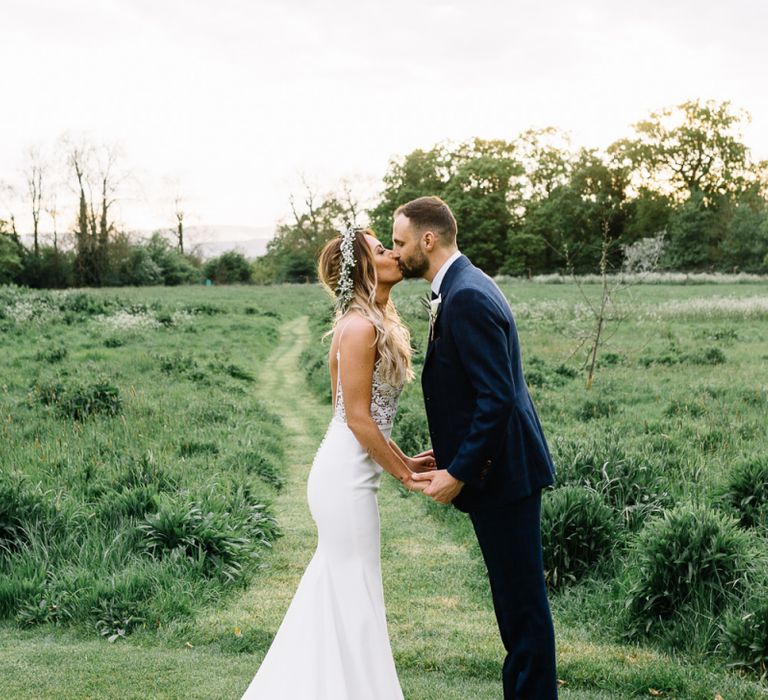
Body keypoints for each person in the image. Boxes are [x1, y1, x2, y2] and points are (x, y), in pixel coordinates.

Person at [241, 226, 434, 700]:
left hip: (351, 473)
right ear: (365, 269)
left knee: (346, 588)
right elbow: (356, 420)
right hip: (342, 480)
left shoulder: (372, 321)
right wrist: (405, 473)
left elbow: (361, 419)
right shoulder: (359, 327)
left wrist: (405, 456)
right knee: (355, 590)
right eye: (381, 250)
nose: (393, 254)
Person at [392, 196, 559, 700]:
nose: (396, 253)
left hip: (505, 477)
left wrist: (459, 472)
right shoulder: (464, 286)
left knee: (522, 611)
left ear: (428, 239)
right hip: (503, 474)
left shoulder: (465, 296)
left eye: (400, 242)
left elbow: (497, 397)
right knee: (515, 608)